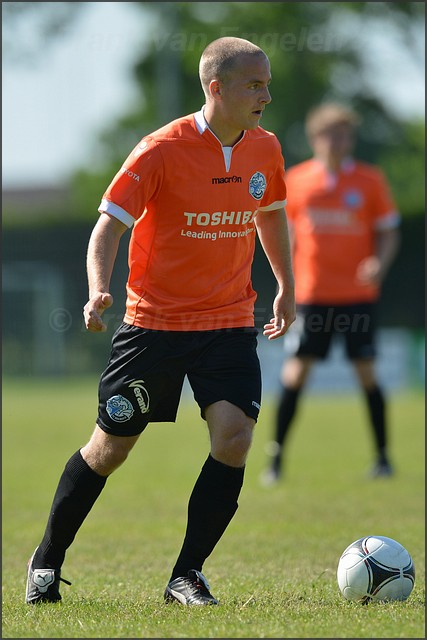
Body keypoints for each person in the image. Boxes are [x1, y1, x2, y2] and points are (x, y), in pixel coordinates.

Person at [25, 36, 295, 606]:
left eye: (267, 84)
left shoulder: (265, 148)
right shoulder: (159, 150)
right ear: (216, 88)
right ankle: (46, 561)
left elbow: (270, 216)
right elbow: (107, 229)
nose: (266, 95)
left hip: (227, 323)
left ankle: (186, 576)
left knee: (235, 438)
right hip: (155, 327)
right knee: (110, 449)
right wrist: (100, 290)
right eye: (255, 85)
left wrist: (285, 288)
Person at [261, 102, 400, 486]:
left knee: (367, 373)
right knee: (296, 372)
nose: (338, 142)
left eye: (344, 134)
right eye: (330, 134)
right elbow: (282, 236)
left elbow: (389, 231)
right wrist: (284, 284)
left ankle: (383, 458)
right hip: (311, 297)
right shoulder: (297, 180)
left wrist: (379, 263)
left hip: (358, 296)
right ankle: (275, 460)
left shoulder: (370, 181)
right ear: (314, 138)